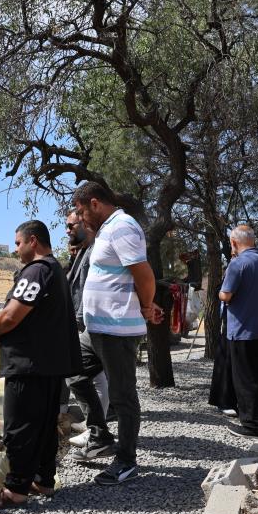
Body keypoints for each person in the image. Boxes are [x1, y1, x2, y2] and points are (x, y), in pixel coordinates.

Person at [0, 220, 80, 508]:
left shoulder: (36, 271)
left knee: (19, 427)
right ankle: (43, 481)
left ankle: (15, 490)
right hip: (48, 365)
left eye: (19, 243)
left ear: (33, 241)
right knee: (44, 426)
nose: (16, 248)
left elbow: (12, 314)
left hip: (28, 365)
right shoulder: (55, 269)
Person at [74, 180, 164, 485]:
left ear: (95, 203)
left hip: (117, 330)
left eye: (81, 210)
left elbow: (144, 273)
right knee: (74, 370)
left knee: (123, 395)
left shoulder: (123, 226)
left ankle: (126, 461)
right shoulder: (106, 230)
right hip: (96, 328)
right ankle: (99, 434)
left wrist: (147, 306)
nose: (81, 217)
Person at [62, 211, 115, 461]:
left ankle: (107, 442)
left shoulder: (96, 250)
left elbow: (89, 289)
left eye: (71, 225)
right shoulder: (84, 250)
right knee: (79, 375)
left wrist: (79, 319)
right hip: (85, 323)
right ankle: (97, 432)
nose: (67, 229)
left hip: (93, 324)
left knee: (101, 381)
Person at [219, 225, 258, 438]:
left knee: (245, 380)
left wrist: (221, 294)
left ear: (234, 243)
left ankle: (253, 427)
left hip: (242, 330)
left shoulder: (237, 264)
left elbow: (226, 295)